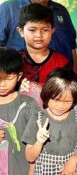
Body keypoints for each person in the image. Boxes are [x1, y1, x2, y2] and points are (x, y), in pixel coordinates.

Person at [0, 0, 77, 73]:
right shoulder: (8, 10)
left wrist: (76, 79)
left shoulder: (61, 10)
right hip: (23, 85)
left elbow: (71, 47)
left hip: (61, 84)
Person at [22, 68, 77, 174]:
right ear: (47, 95)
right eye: (56, 100)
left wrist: (73, 160)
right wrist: (39, 142)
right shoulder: (38, 118)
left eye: (67, 101)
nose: (60, 106)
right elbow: (30, 157)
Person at [17, 3, 70, 106]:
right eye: (32, 30)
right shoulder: (14, 61)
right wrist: (17, 89)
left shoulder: (61, 62)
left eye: (45, 30)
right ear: (21, 31)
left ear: (52, 31)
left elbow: (69, 93)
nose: (39, 35)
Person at [0, 47, 38, 175]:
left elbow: (35, 143)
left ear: (19, 76)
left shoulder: (28, 105)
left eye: (8, 78)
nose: (2, 85)